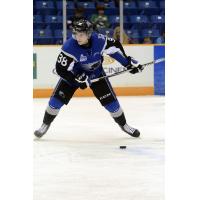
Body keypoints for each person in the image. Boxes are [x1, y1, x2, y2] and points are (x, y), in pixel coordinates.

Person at [34, 19, 144, 139]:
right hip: (74, 74)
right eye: (75, 34)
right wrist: (76, 79)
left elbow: (115, 49)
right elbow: (60, 69)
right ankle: (45, 124)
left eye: (81, 34)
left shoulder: (100, 40)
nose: (77, 37)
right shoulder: (69, 47)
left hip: (96, 74)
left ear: (89, 34)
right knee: (55, 102)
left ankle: (124, 125)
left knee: (112, 105)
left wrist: (128, 63)